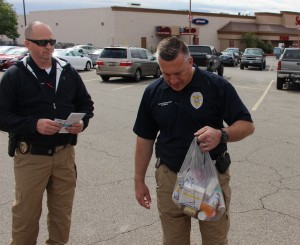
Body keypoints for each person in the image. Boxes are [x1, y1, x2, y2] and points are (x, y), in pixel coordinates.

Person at [133, 37, 254, 245]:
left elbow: (247, 125)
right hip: (170, 177)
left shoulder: (216, 86)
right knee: (173, 241)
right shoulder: (153, 92)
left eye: (178, 73)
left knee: (215, 239)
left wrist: (221, 134)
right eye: (166, 73)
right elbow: (145, 137)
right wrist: (138, 180)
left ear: (190, 62)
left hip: (210, 179)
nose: (173, 80)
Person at [0, 21, 94, 245]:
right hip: (32, 157)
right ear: (28, 44)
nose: (48, 47)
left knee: (62, 216)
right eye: (42, 43)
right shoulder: (15, 75)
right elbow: (2, 116)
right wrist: (34, 125)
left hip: (64, 156)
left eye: (51, 42)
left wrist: (83, 123)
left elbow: (86, 104)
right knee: (26, 216)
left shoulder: (67, 71)